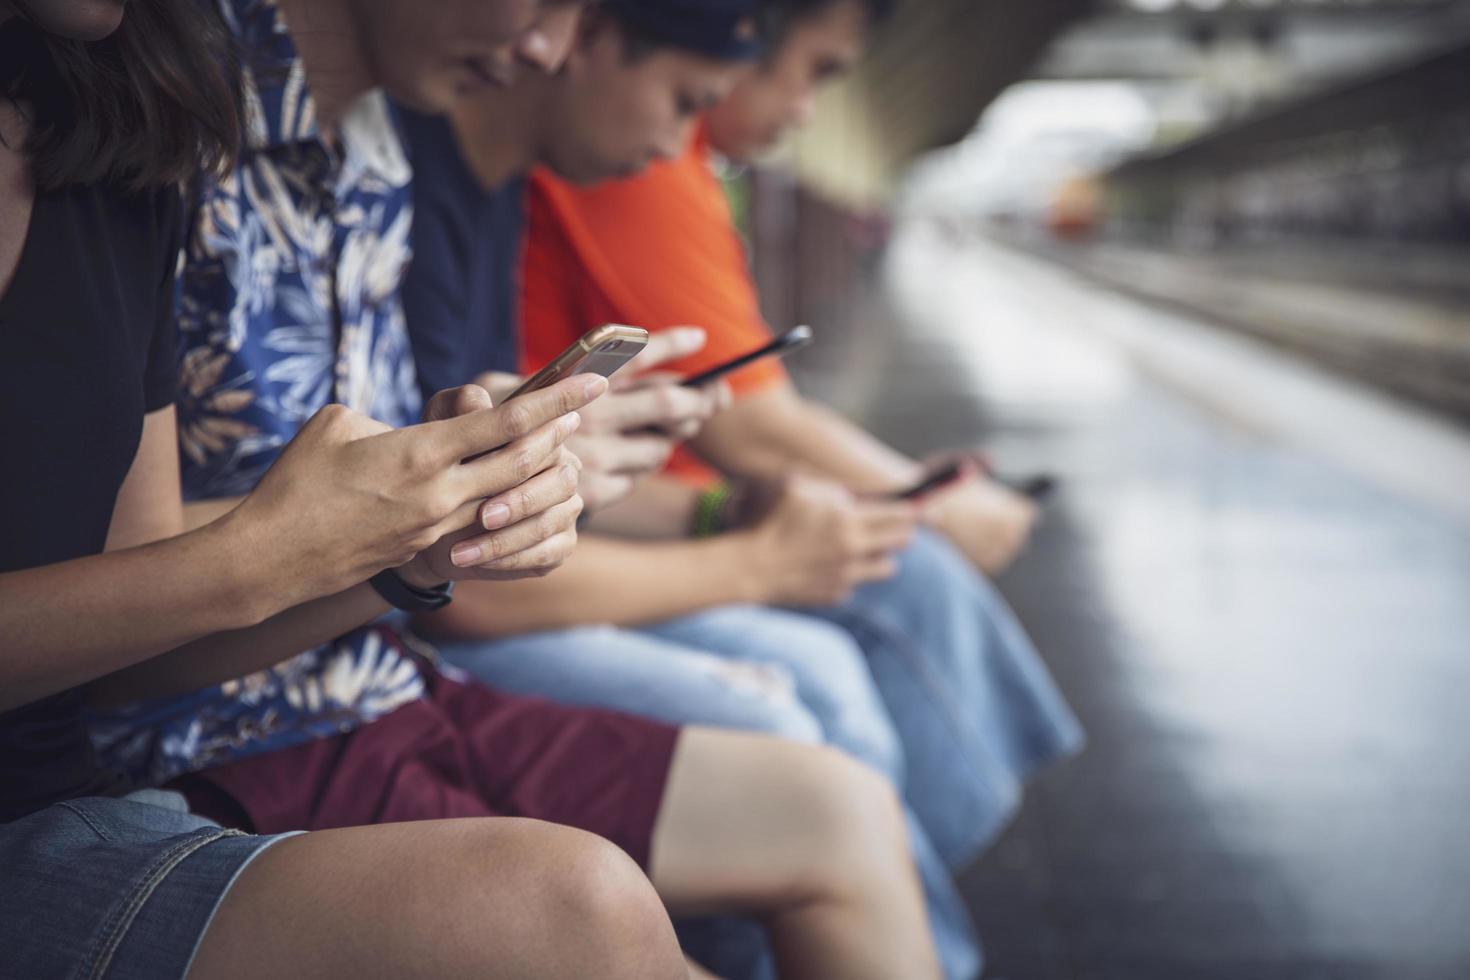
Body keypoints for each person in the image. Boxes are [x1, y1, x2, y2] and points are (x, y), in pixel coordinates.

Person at [76, 0, 942, 976]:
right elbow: (153, 557)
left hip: (385, 675)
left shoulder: (376, 151)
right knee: (693, 819)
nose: (545, 48)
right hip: (226, 733)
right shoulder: (168, 119)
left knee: (843, 803)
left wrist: (489, 459)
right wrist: (443, 498)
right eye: (543, 5)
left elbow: (395, 497)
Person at [0, 2, 686, 978]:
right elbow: (188, 582)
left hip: (109, 784)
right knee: (587, 908)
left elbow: (122, 624)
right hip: (213, 751)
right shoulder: (181, 132)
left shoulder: (126, 125)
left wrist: (409, 554)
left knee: (790, 804)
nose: (547, 48)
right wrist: (263, 557)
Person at [396, 5, 979, 976]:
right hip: (423, 641)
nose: (683, 144)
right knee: (792, 699)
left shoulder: (492, 195)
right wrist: (751, 561)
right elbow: (467, 574)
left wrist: (713, 510)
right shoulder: (429, 183)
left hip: (436, 616)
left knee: (825, 670)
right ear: (593, 41)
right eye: (681, 102)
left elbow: (480, 515)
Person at [520, 0, 1084, 871]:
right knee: (883, 601)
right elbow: (757, 425)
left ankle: (897, 886)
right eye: (816, 69)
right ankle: (901, 887)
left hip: (619, 518)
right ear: (741, 41)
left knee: (868, 612)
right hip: (565, 547)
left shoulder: (659, 151)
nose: (808, 110)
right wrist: (935, 506)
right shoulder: (642, 162)